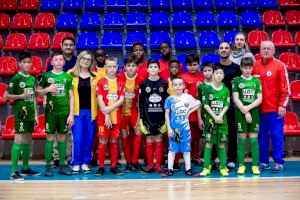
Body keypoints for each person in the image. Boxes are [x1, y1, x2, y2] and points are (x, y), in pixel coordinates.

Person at [252, 40, 290, 173]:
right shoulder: (255, 66)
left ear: (273, 51)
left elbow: (286, 89)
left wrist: (282, 106)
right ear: (260, 50)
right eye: (264, 48)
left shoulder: (280, 65)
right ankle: (263, 162)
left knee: (276, 136)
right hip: (259, 110)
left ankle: (279, 162)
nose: (266, 51)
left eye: (269, 48)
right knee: (261, 137)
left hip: (275, 110)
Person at [36, 51, 74, 177]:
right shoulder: (46, 76)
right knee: (50, 138)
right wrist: (48, 89)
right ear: (51, 62)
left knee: (63, 138)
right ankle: (48, 165)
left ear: (64, 62)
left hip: (64, 112)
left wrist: (71, 114)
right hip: (51, 112)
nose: (58, 61)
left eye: (60, 59)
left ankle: (62, 165)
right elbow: (38, 92)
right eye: (56, 59)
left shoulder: (68, 77)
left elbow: (71, 97)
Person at [5, 52, 41, 180]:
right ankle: (13, 171)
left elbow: (34, 97)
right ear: (19, 64)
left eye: (29, 62)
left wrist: (36, 115)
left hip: (31, 115)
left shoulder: (32, 78)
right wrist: (20, 96)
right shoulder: (15, 78)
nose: (27, 64)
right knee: (18, 141)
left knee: (27, 141)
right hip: (20, 115)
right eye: (24, 62)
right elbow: (6, 96)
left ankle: (25, 169)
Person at [162, 77, 201, 177]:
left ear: (183, 86)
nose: (178, 86)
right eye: (175, 85)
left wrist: (189, 112)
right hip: (174, 129)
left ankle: (188, 169)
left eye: (180, 84)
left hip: (185, 129)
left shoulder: (188, 97)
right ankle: (170, 169)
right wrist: (169, 128)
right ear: (172, 86)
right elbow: (166, 114)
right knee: (172, 150)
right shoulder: (169, 99)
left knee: (186, 150)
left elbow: (199, 103)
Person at [68, 51, 98, 174]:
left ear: (91, 62)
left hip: (92, 112)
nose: (86, 61)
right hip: (76, 112)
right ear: (79, 59)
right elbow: (68, 96)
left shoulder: (95, 76)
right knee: (78, 139)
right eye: (83, 58)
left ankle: (85, 162)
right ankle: (76, 162)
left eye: (89, 59)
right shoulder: (70, 74)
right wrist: (70, 114)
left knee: (89, 138)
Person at [95, 56, 125, 176]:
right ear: (106, 67)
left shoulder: (120, 81)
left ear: (117, 67)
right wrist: (106, 114)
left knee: (114, 141)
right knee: (102, 141)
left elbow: (121, 99)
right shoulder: (101, 81)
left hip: (116, 117)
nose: (112, 69)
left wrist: (109, 110)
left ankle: (113, 167)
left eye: (114, 66)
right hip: (103, 117)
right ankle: (101, 167)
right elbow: (100, 99)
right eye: (109, 66)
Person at [232, 57, 262, 175]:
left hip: (253, 112)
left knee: (254, 140)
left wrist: (248, 109)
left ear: (252, 68)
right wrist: (245, 112)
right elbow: (235, 98)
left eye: (249, 68)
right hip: (240, 112)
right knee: (242, 140)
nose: (247, 70)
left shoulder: (256, 81)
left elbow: (260, 99)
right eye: (245, 68)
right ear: (241, 68)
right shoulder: (237, 81)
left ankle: (255, 165)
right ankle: (241, 165)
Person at [200, 65, 230, 177]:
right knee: (208, 144)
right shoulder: (207, 89)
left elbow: (226, 105)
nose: (218, 75)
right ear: (213, 75)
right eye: (216, 73)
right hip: (210, 122)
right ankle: (206, 167)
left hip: (222, 121)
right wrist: (214, 117)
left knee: (221, 144)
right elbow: (206, 105)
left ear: (223, 76)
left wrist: (220, 116)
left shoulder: (226, 89)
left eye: (221, 73)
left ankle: (223, 167)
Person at [139, 59, 168, 174]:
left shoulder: (164, 83)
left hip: (160, 116)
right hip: (148, 116)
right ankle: (150, 165)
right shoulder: (143, 84)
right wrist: (141, 120)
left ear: (159, 69)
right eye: (151, 67)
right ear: (147, 69)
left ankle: (158, 165)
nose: (153, 69)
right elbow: (140, 103)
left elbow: (167, 102)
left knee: (159, 138)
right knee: (149, 139)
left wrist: (166, 120)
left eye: (155, 67)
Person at [217, 41, 241, 169]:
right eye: (221, 48)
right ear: (218, 51)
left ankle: (232, 158)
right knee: (215, 131)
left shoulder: (237, 68)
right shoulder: (214, 67)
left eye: (226, 48)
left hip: (231, 106)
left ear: (230, 51)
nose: (224, 50)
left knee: (231, 132)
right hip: (215, 105)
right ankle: (212, 158)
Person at [118, 57, 144, 172]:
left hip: (134, 110)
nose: (131, 68)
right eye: (128, 66)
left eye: (133, 66)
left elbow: (143, 100)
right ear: (125, 67)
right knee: (124, 136)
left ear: (137, 68)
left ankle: (134, 160)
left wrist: (140, 115)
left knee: (139, 133)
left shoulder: (141, 79)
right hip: (122, 111)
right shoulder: (119, 77)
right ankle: (128, 162)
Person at [181, 54, 205, 166]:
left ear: (198, 64)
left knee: (196, 137)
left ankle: (195, 157)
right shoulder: (182, 77)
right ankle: (187, 157)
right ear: (186, 66)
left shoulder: (202, 77)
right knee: (187, 137)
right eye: (190, 65)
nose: (192, 67)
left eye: (195, 64)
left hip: (198, 112)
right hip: (186, 113)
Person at [197, 62, 218, 169]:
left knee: (218, 139)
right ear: (202, 72)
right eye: (205, 71)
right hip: (206, 118)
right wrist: (200, 118)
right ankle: (208, 162)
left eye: (209, 70)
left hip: (218, 117)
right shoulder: (201, 86)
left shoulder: (219, 85)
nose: (207, 72)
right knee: (208, 139)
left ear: (213, 72)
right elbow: (199, 104)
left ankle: (217, 160)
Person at [91, 48, 107, 167]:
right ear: (95, 58)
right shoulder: (92, 72)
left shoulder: (110, 70)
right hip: (95, 107)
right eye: (98, 56)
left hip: (109, 108)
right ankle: (94, 158)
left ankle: (113, 158)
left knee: (110, 135)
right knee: (97, 135)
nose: (100, 58)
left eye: (102, 56)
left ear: (105, 56)